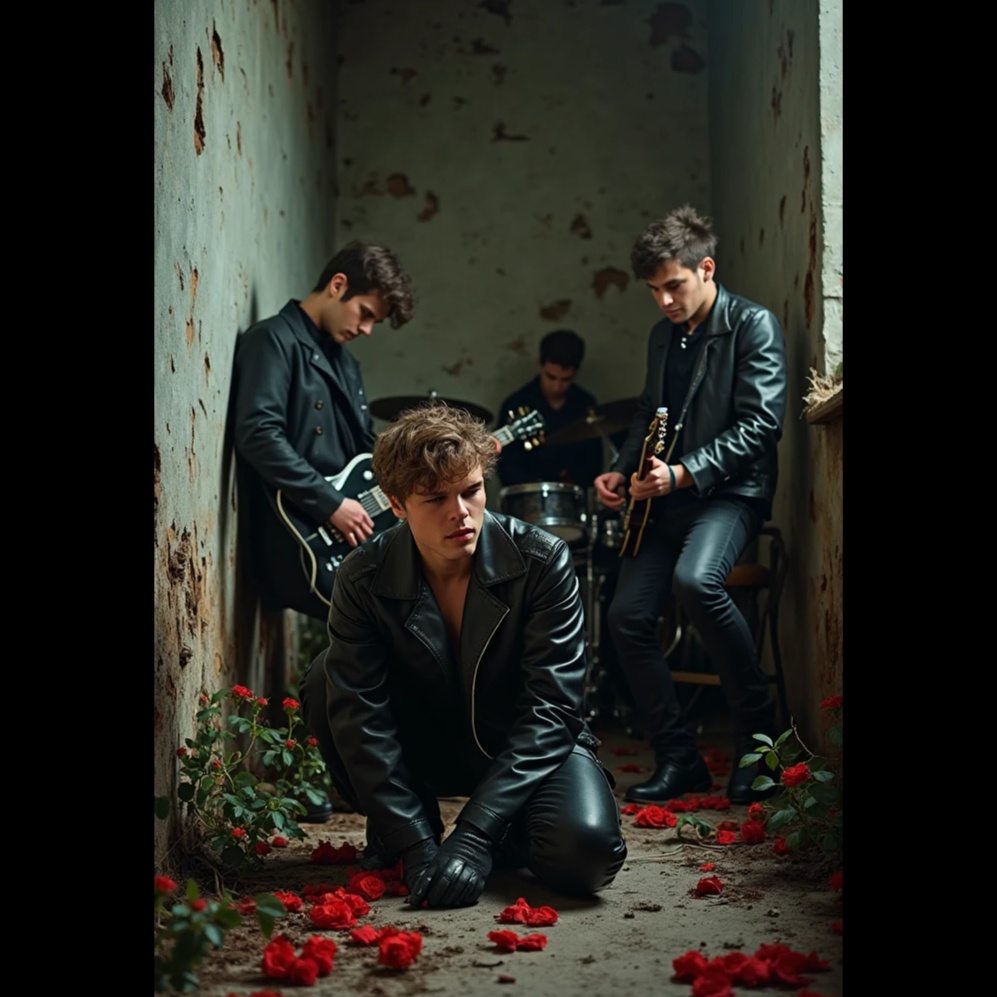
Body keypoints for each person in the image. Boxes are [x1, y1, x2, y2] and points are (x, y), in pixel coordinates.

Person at [300, 402, 627, 908]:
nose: (460, 512)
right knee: (327, 679)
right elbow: (361, 717)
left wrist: (475, 834)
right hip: (423, 748)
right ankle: (413, 825)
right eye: (435, 498)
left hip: (520, 749)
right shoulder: (362, 575)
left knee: (586, 855)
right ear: (397, 504)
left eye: (471, 490)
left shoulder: (541, 561)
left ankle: (502, 832)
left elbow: (552, 709)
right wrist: (413, 844)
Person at [593, 205, 788, 805]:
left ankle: (760, 742)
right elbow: (647, 412)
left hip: (731, 495)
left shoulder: (753, 325)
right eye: (654, 290)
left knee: (696, 582)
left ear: (706, 269)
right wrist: (623, 468)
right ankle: (679, 759)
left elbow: (762, 425)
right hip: (664, 505)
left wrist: (681, 473)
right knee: (625, 616)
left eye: (673, 285)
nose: (664, 301)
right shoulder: (662, 336)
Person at [232, 240, 416, 622]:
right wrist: (331, 504)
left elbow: (364, 451)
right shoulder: (272, 339)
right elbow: (258, 434)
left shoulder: (347, 365)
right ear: (337, 285)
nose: (367, 330)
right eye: (365, 313)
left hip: (335, 534)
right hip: (290, 532)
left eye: (375, 322)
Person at [496, 329, 603, 489]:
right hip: (524, 495)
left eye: (566, 379)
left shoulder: (585, 404)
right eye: (551, 377)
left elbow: (594, 462)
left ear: (576, 371)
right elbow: (504, 465)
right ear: (540, 364)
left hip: (572, 494)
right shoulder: (516, 403)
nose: (557, 387)